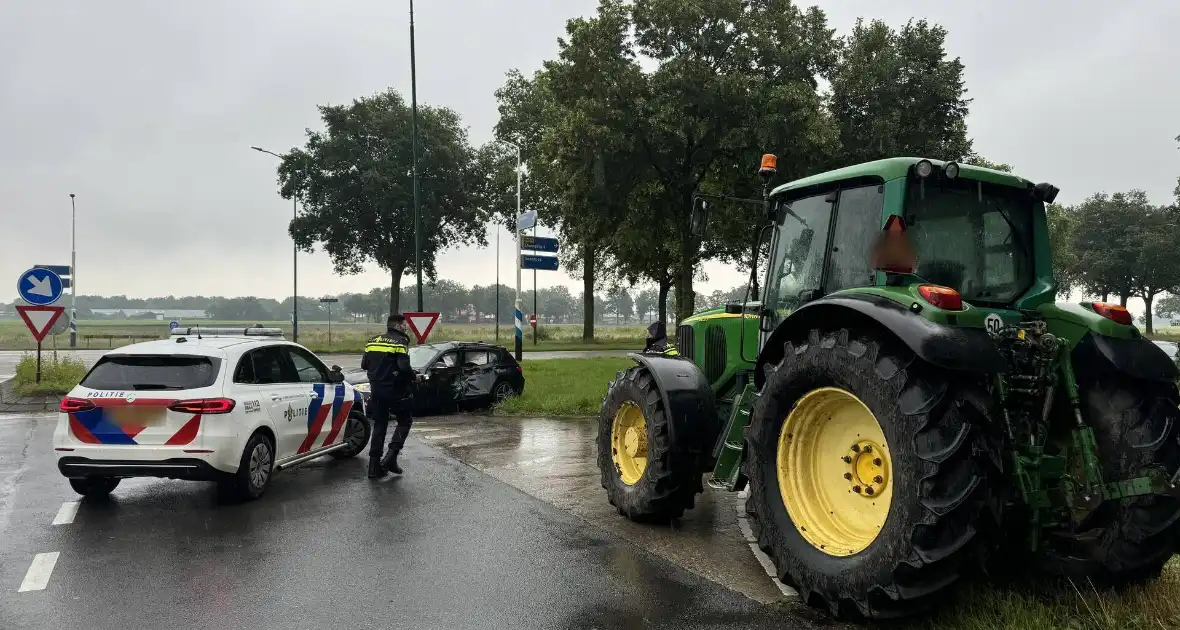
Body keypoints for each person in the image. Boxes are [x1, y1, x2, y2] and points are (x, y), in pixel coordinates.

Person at [361, 313, 418, 478]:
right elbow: (404, 367)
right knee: (405, 421)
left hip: (376, 390)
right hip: (395, 390)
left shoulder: (372, 341)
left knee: (379, 425)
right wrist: (415, 377)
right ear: (399, 325)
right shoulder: (400, 342)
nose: (406, 327)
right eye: (404, 324)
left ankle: (373, 468)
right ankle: (390, 458)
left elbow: (364, 365)